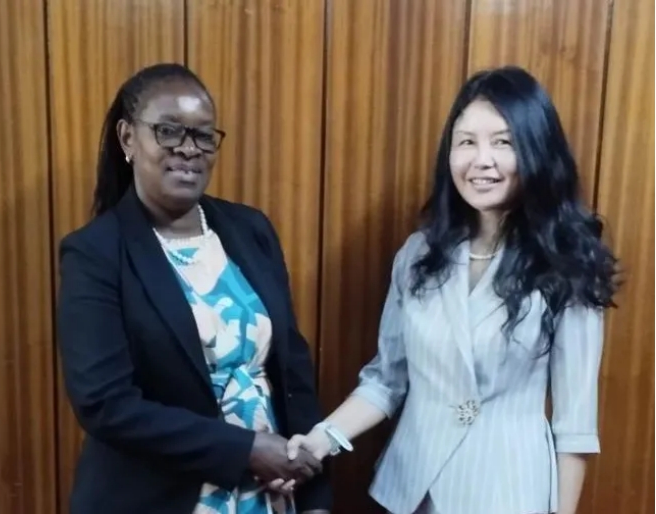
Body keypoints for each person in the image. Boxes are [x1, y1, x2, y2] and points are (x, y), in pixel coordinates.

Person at [285, 66, 619, 514]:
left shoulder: (568, 263)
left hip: (506, 495)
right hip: (410, 492)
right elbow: (386, 381)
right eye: (466, 142)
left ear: (537, 150)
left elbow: (574, 428)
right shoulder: (419, 254)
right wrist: (321, 438)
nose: (481, 160)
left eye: (503, 142)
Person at [56, 62, 330, 514]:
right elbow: (106, 404)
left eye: (203, 135)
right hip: (158, 498)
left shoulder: (250, 229)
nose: (188, 148)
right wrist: (244, 449)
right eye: (168, 131)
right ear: (128, 138)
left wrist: (315, 497)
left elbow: (292, 369)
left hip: (269, 494)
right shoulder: (95, 253)